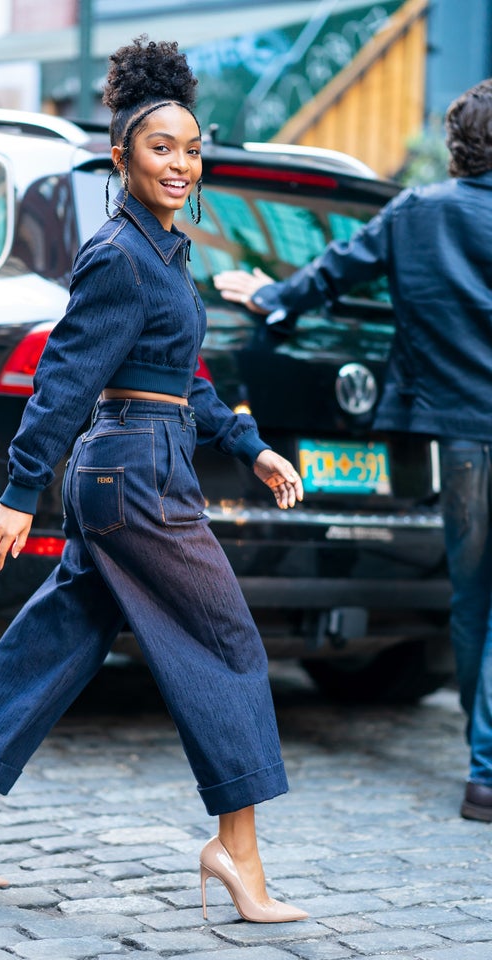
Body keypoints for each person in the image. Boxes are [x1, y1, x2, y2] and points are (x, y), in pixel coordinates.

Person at [0, 37, 308, 923]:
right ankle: (236, 854)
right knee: (228, 644)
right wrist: (17, 492)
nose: (180, 163)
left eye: (192, 148)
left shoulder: (165, 250)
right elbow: (66, 378)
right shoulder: (119, 254)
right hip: (134, 476)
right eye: (161, 147)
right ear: (120, 154)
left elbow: (183, 375)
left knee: (63, 637)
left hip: (141, 467)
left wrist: (248, 444)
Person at [214, 77, 492, 823]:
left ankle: (486, 767)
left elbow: (333, 270)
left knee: (472, 600)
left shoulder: (416, 212)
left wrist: (267, 298)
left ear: (458, 147)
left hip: (463, 440)